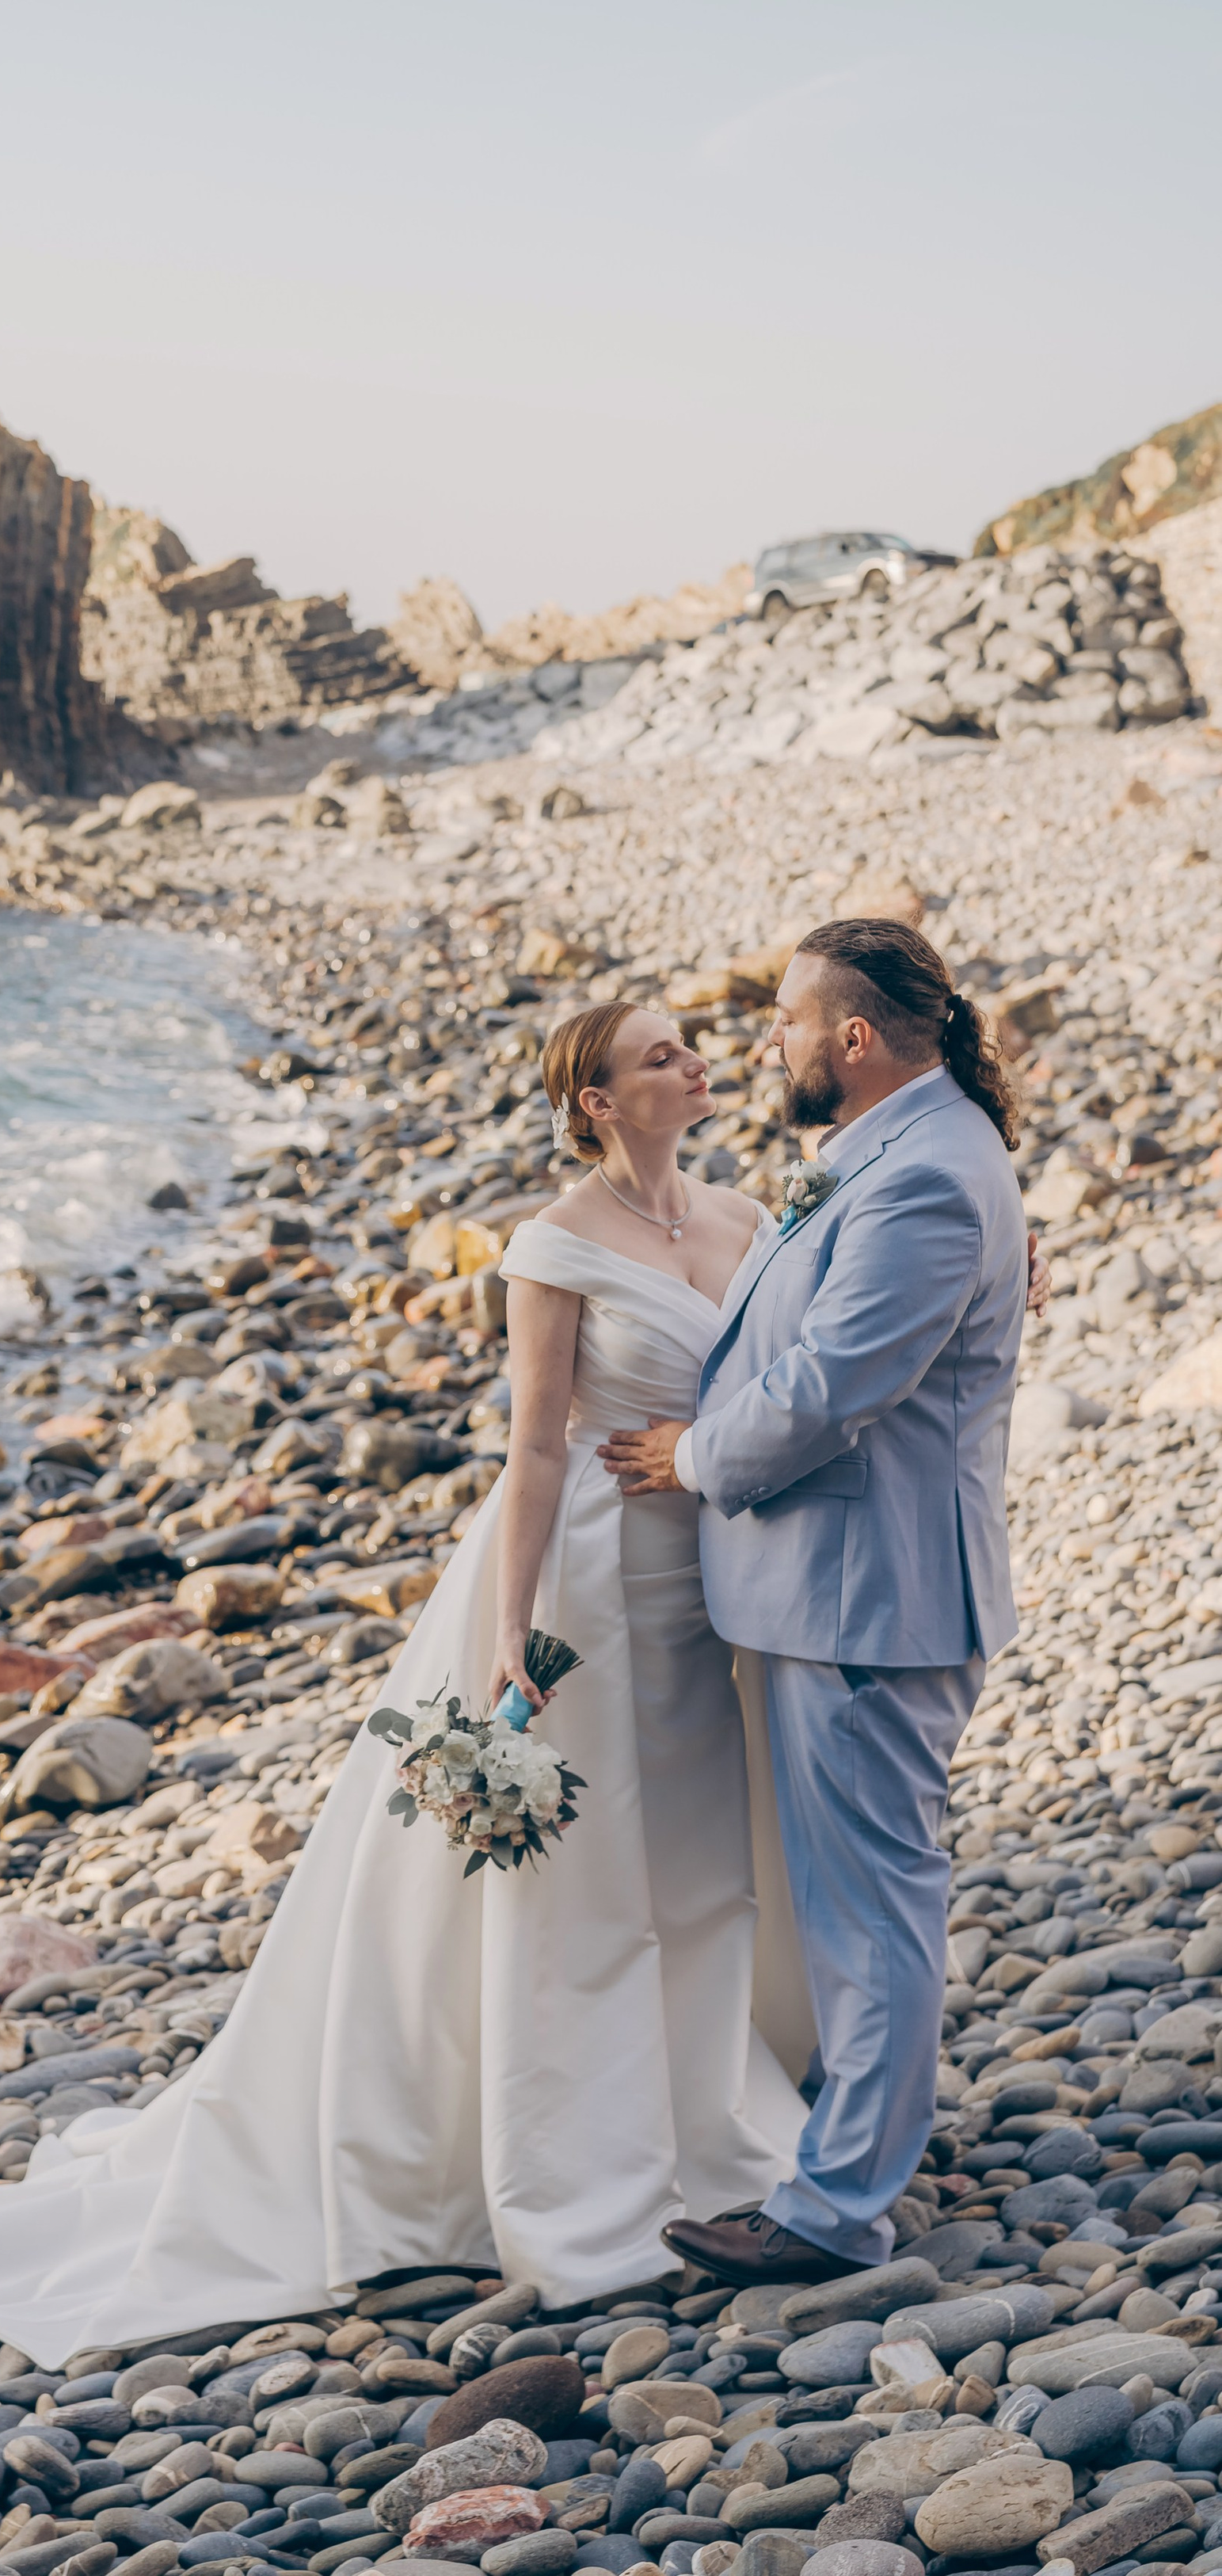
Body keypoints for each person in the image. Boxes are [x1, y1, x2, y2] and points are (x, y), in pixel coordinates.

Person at [0, 996, 819, 2365]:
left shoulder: (745, 1217)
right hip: (589, 1589)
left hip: (717, 1586)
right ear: (599, 1105)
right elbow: (539, 1451)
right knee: (574, 1886)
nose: (694, 1060)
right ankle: (576, 2185)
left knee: (698, 1870)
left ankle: (707, 2138)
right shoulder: (553, 1246)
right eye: (659, 1055)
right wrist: (510, 1629)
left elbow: (812, 1356)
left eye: (689, 1043)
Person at [602, 917, 1030, 2288]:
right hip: (841, 1591)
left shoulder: (929, 1182)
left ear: (852, 1039)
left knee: (872, 1912)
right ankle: (866, 2137)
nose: (765, 1045)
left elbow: (835, 1388)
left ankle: (838, 2210)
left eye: (785, 1022)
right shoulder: (900, 1155)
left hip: (867, 1601)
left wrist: (689, 1456)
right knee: (859, 1906)